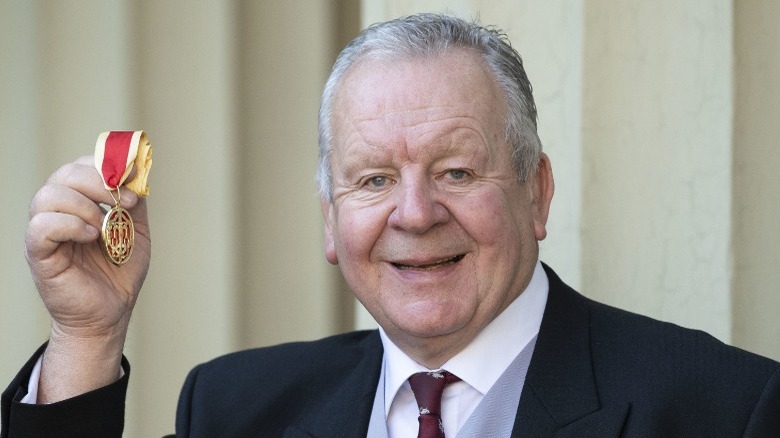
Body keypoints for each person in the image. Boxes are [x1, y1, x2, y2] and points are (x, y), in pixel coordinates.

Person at [2, 13, 779, 438]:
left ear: (537, 195)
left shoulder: (724, 408)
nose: (414, 213)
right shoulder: (236, 410)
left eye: (456, 172)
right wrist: (88, 340)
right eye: (373, 179)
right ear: (332, 225)